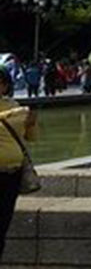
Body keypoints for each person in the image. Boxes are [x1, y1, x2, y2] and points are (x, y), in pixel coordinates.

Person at [0, 68, 36, 261]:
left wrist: (31, 124)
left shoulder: (13, 105)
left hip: (11, 174)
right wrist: (12, 115)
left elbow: (30, 138)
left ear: (5, 86)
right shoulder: (15, 110)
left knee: (3, 223)